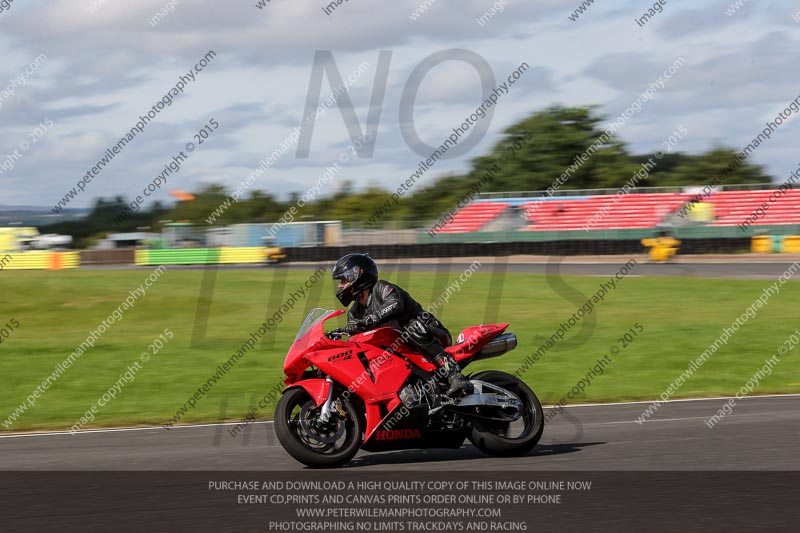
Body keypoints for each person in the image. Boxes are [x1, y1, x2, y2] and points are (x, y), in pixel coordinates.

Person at [331, 253, 471, 398]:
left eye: (344, 279)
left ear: (358, 275)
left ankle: (455, 375)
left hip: (431, 333)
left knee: (413, 326)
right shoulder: (354, 313)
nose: (340, 285)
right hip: (402, 350)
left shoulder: (381, 288)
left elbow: (395, 304)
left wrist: (371, 320)